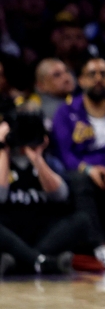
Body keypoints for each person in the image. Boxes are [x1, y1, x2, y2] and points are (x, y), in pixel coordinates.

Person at [51, 57, 105, 268]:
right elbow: (64, 153)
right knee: (80, 182)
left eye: (104, 74)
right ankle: (100, 246)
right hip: (82, 168)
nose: (98, 79)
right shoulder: (67, 111)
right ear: (81, 80)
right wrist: (88, 169)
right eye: (92, 74)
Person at [0, 111, 88, 275]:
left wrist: (37, 159)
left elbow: (60, 195)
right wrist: (3, 150)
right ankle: (43, 262)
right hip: (11, 230)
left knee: (81, 221)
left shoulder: (50, 160)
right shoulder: (2, 159)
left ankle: (23, 260)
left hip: (41, 232)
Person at [31, 58, 75, 130]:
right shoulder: (37, 112)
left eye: (67, 71)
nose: (66, 78)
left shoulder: (78, 101)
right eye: (57, 75)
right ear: (41, 85)